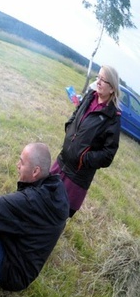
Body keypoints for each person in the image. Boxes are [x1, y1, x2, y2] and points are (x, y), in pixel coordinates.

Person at [0, 143, 70, 291]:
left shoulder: (33, 201)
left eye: (22, 162)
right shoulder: (55, 190)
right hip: (24, 269)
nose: (17, 165)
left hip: (10, 273)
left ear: (36, 171)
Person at [51, 65, 121, 217]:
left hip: (77, 177)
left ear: (112, 89)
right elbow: (77, 112)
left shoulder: (113, 117)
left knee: (58, 215)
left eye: (103, 80)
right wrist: (69, 127)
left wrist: (83, 157)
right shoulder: (90, 96)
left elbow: (108, 155)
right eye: (98, 77)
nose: (98, 82)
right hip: (62, 161)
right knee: (41, 197)